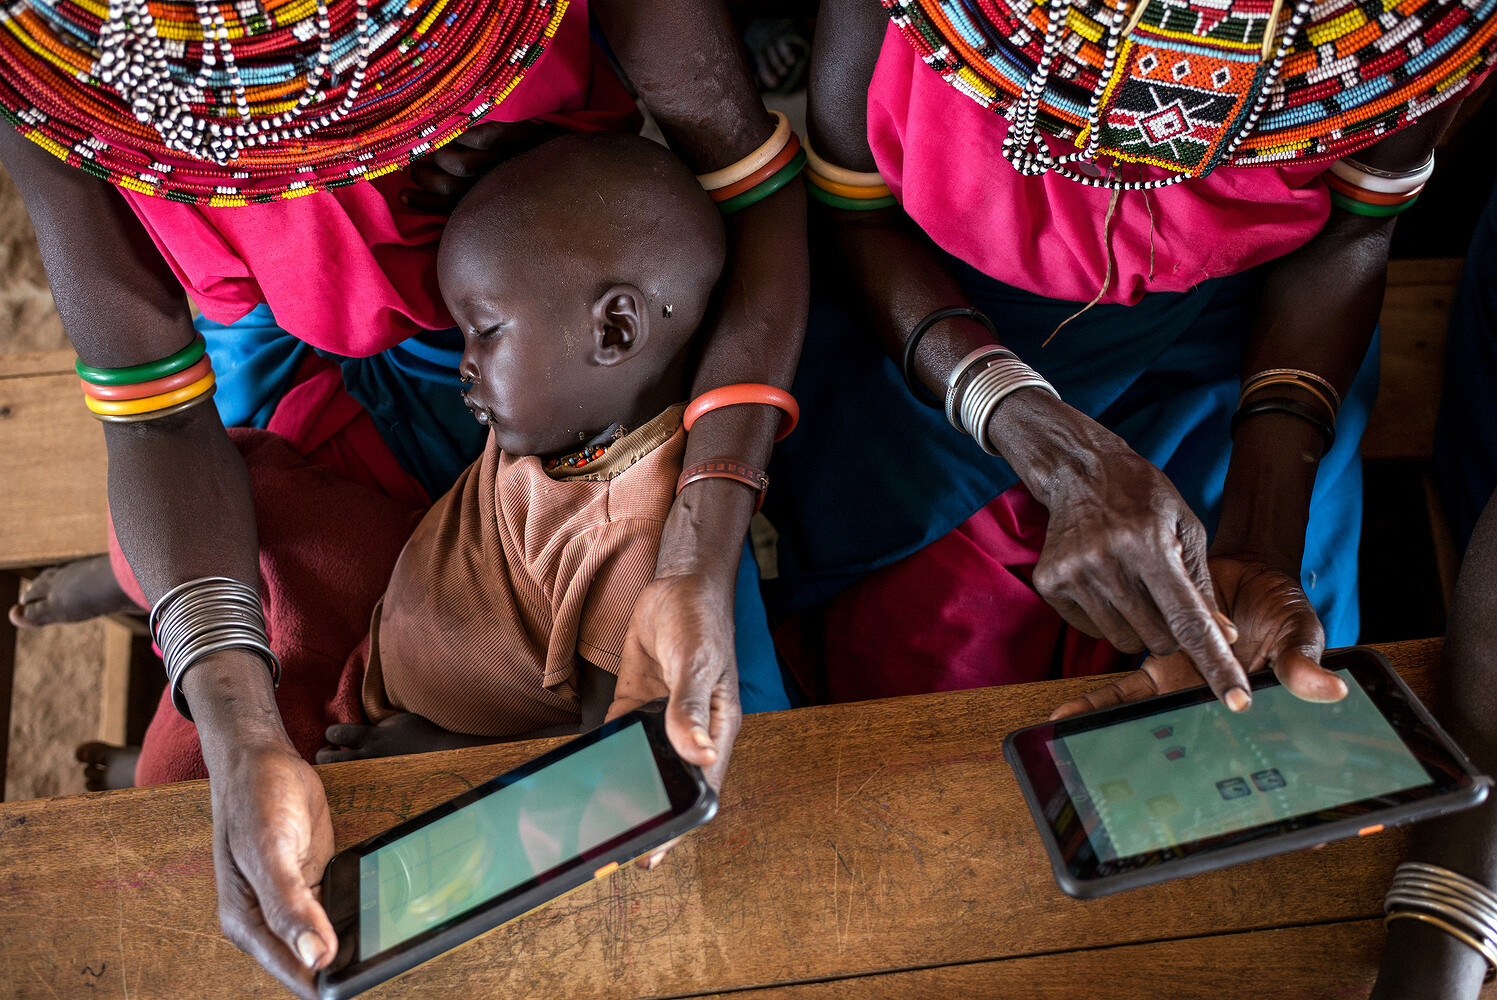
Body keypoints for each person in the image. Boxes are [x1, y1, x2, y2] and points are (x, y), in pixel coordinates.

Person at [0, 1, 807, 995]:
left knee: (726, 786)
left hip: (544, 343)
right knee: (216, 773)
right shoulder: (49, 49)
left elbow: (752, 184)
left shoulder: (603, 483)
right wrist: (240, 723)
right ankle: (153, 609)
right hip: (338, 356)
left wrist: (698, 549)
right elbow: (159, 419)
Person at [766, 0, 1489, 715]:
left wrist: (1265, 540)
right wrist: (1036, 435)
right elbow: (855, 212)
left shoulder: (1408, 21)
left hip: (1255, 354)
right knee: (935, 708)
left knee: (1263, 711)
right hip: (935, 347)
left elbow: (1348, 239)